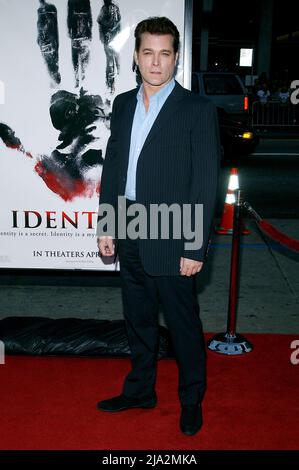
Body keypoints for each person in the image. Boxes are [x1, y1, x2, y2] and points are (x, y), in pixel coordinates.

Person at [96, 16, 220, 436]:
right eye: (147, 52)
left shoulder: (198, 110)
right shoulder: (123, 104)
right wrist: (107, 223)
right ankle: (140, 390)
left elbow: (205, 182)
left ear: (175, 58)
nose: (155, 62)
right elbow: (114, 166)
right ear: (135, 56)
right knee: (138, 318)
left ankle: (191, 399)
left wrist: (194, 244)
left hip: (172, 228)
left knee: (183, 324)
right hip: (128, 220)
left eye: (164, 53)